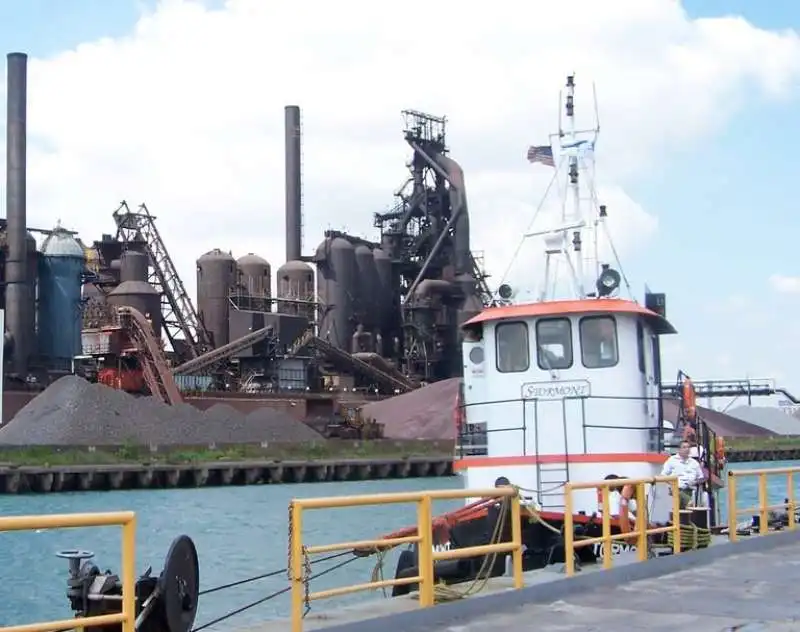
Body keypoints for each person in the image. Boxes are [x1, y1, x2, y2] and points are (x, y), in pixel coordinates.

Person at [660, 440, 704, 508]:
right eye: (684, 447)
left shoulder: (694, 463)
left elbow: (701, 477)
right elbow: (662, 475)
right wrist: (672, 483)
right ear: (679, 449)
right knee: (680, 496)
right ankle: (688, 504)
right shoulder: (672, 460)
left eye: (688, 447)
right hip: (676, 488)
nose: (687, 449)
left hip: (691, 489)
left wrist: (694, 482)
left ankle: (687, 507)